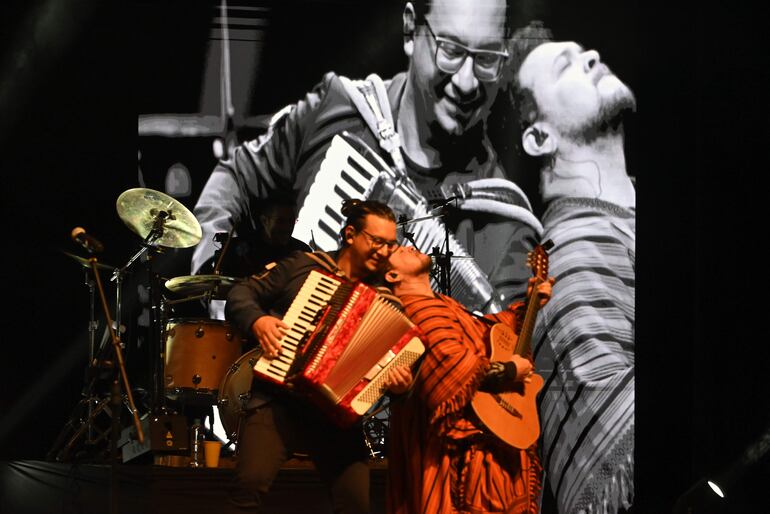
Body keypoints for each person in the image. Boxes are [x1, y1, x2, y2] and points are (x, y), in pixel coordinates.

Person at [191, 0, 543, 315]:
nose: (467, 83)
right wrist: (215, 289)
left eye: (486, 59)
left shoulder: (504, 223)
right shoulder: (337, 108)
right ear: (409, 31)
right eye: (450, 50)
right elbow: (235, 178)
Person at [509, 25, 636, 514]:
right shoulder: (573, 255)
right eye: (566, 66)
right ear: (539, 137)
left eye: (584, 53)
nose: (593, 57)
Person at [223, 199, 412, 514]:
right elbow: (241, 294)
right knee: (249, 487)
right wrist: (259, 320)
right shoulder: (304, 265)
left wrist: (403, 386)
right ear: (350, 234)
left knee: (356, 504)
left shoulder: (390, 305)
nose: (384, 251)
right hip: (279, 399)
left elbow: (404, 375)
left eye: (390, 245)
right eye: (377, 241)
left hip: (334, 416)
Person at [383, 244, 554, 514]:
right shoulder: (418, 311)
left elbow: (484, 333)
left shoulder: (443, 305)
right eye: (398, 250)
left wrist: (527, 305)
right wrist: (509, 371)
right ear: (392, 276)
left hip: (485, 451)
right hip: (455, 462)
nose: (408, 246)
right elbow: (452, 368)